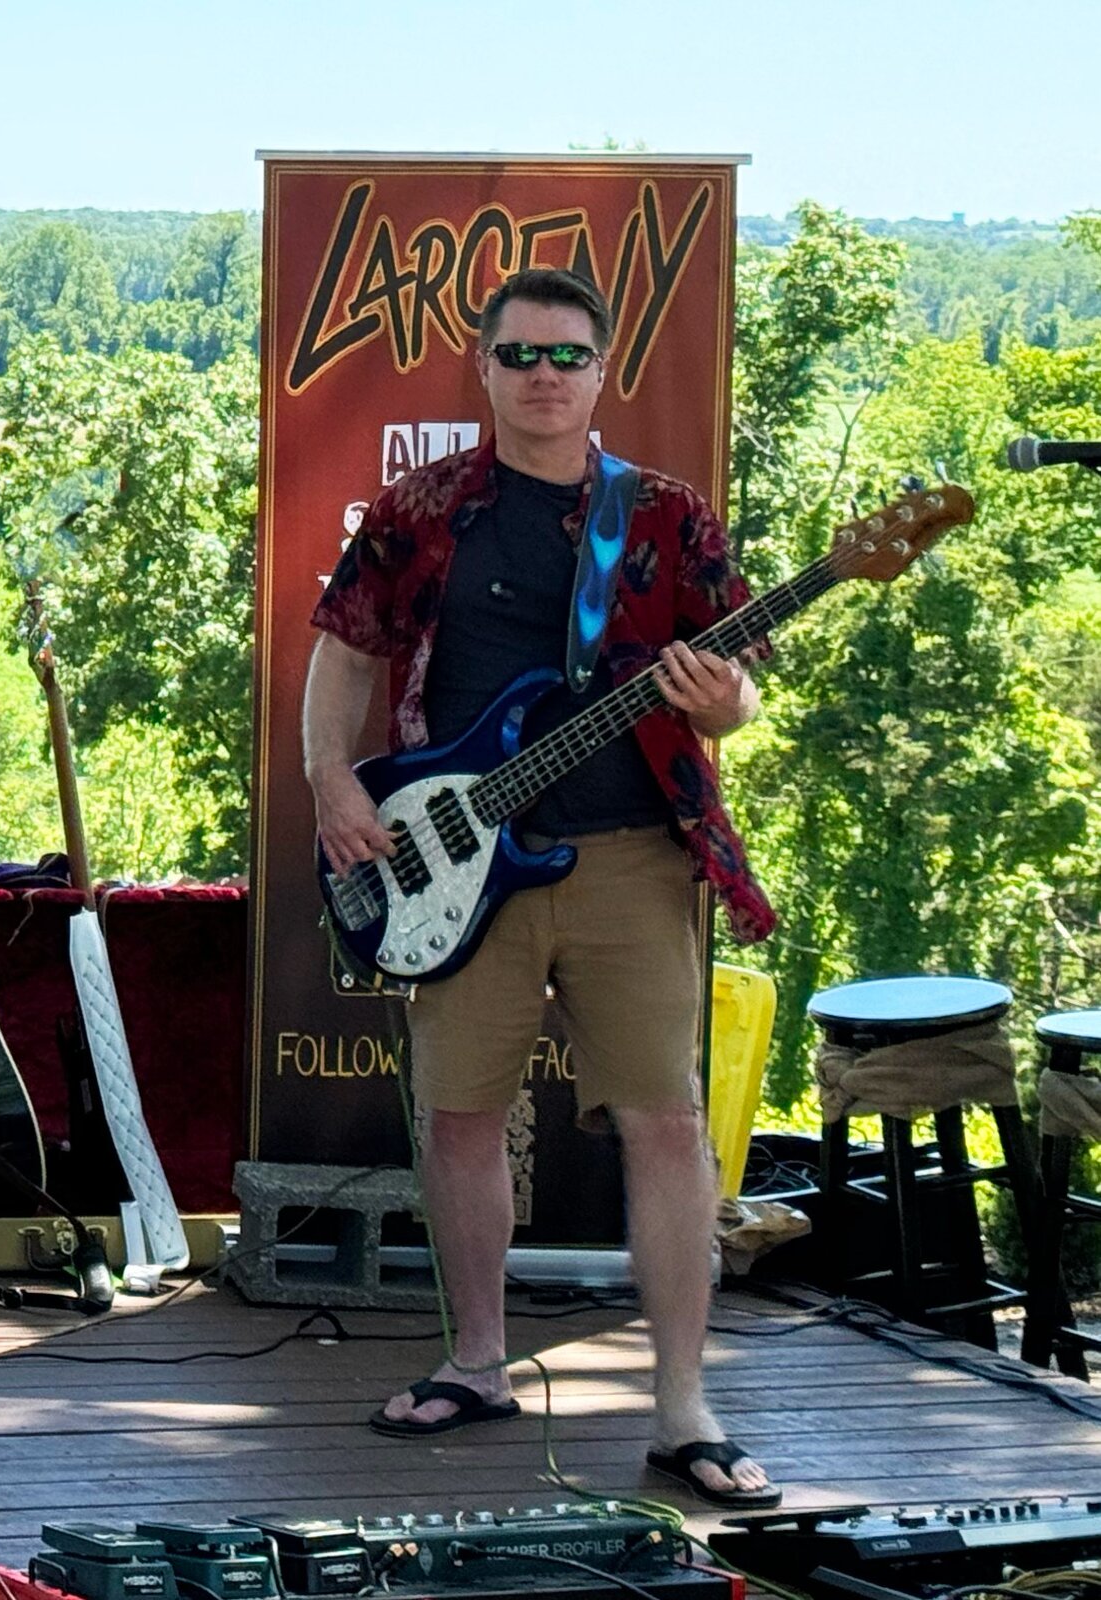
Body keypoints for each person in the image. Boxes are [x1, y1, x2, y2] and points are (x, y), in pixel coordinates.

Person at [303, 267, 781, 1509]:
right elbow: (342, 647)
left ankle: (682, 1406)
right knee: (460, 1116)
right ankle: (476, 1358)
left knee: (666, 1122)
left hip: (630, 856)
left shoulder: (666, 516)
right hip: (463, 864)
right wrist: (333, 785)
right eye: (518, 355)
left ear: (603, 368)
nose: (543, 376)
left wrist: (721, 700)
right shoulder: (426, 506)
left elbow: (743, 692)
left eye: (566, 355)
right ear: (484, 365)